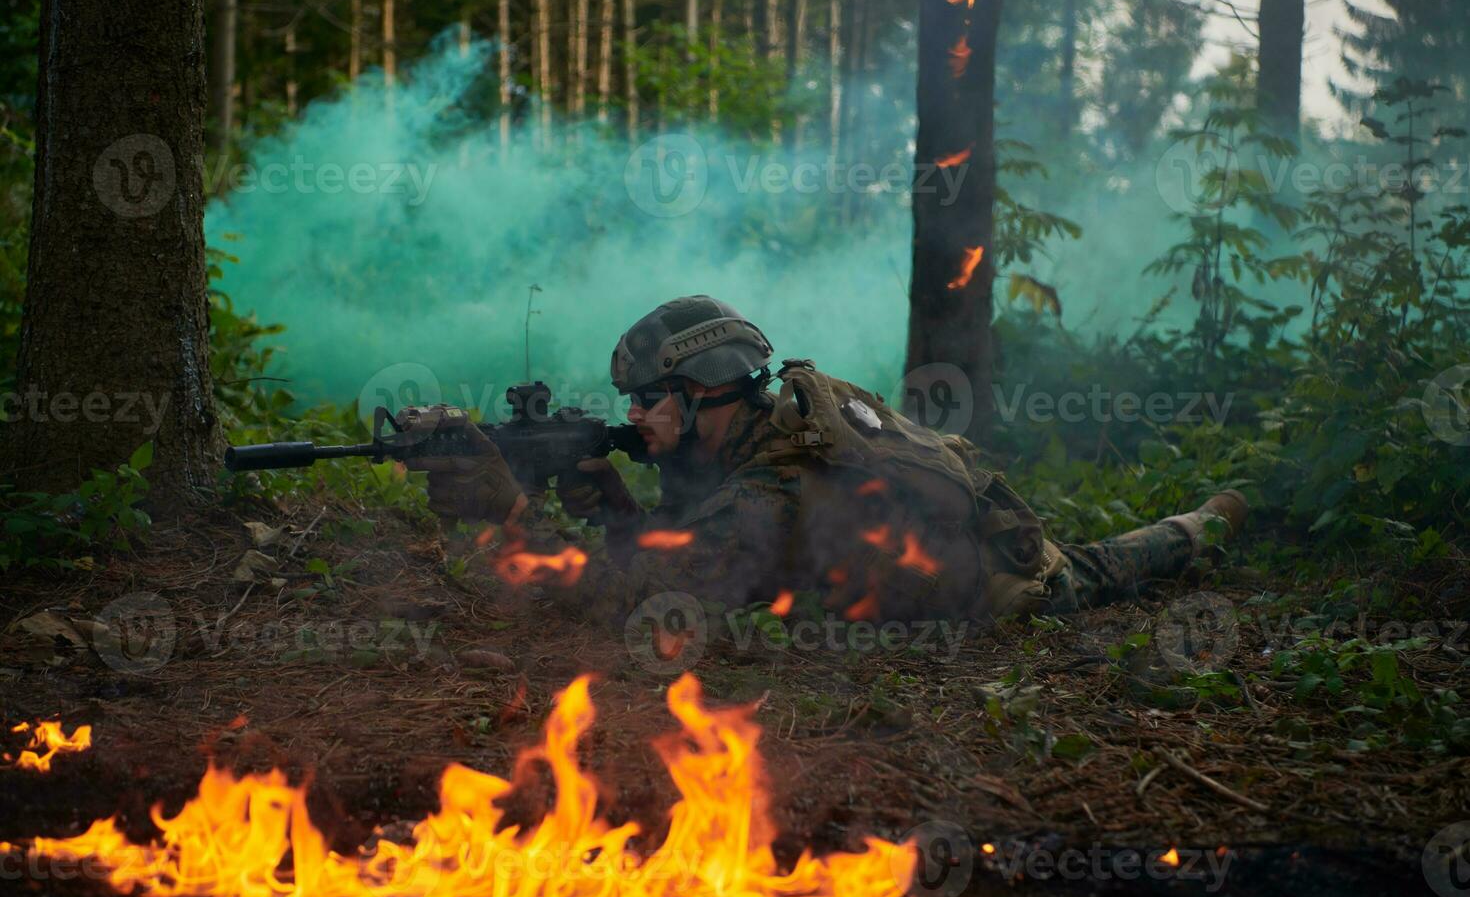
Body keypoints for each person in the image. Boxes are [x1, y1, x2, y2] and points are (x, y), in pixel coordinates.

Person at [413, 296, 1247, 626]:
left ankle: (1202, 526)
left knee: (1095, 573)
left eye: (647, 398)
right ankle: (1202, 521)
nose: (631, 417)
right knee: (1098, 561)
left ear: (703, 390)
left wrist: (516, 517)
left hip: (996, 582)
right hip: (942, 545)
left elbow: (641, 592)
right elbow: (669, 539)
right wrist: (620, 506)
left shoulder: (771, 484)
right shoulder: (745, 447)